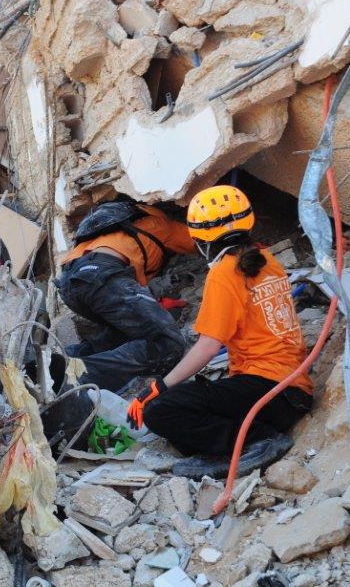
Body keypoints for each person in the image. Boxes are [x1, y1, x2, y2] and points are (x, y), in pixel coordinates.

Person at [126, 185, 313, 479]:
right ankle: (237, 444)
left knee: (161, 411)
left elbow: (208, 347)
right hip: (292, 392)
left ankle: (257, 441)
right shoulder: (267, 260)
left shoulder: (225, 272)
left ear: (201, 239)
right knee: (189, 425)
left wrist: (159, 387)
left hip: (270, 391)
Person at [54, 200, 197, 392]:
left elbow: (130, 303)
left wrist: (157, 306)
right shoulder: (162, 225)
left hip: (70, 282)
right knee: (167, 343)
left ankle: (57, 363)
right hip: (102, 274)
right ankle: (77, 378)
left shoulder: (116, 230)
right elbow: (202, 239)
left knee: (126, 334)